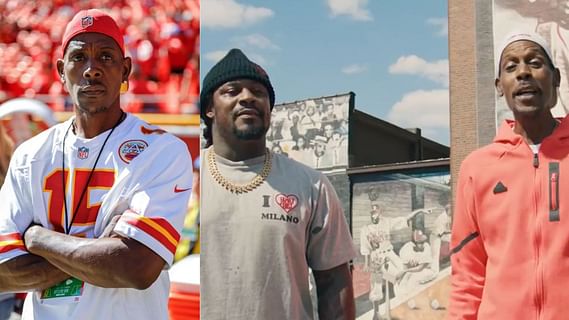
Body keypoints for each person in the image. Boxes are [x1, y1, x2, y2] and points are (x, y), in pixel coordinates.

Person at [0, 9, 193, 320]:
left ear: (126, 69)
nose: (91, 70)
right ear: (61, 71)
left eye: (105, 57)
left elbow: (136, 267)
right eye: (79, 58)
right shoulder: (30, 155)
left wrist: (39, 239)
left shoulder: (162, 150)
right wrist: (100, 254)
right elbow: (4, 272)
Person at [200, 48, 356, 320]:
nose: (247, 97)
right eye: (232, 90)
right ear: (209, 109)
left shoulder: (311, 185)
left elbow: (334, 284)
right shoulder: (182, 177)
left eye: (258, 93)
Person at [449, 32, 566, 319]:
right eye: (511, 66)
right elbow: (467, 271)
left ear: (556, 78)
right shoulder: (478, 168)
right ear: (500, 86)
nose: (523, 72)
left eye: (535, 62)